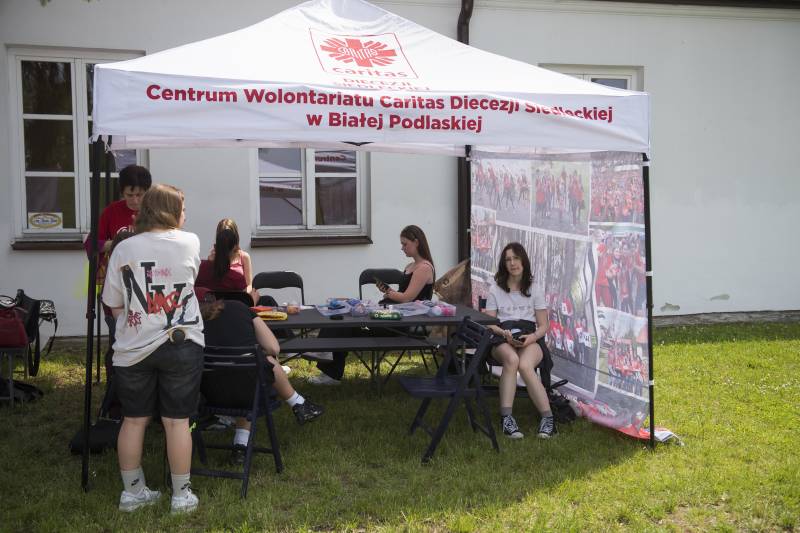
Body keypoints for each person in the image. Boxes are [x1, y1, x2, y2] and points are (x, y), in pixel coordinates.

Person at [102, 184, 204, 514]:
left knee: (133, 420)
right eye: (182, 208)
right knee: (177, 421)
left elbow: (113, 303)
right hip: (181, 342)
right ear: (170, 210)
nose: (185, 214)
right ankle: (181, 496)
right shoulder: (190, 242)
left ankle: (133, 493)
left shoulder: (124, 248)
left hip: (133, 347)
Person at [198, 288, 323, 463]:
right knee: (261, 363)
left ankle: (241, 447)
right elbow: (274, 348)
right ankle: (298, 403)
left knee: (241, 370)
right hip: (248, 392)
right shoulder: (241, 309)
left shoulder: (189, 321)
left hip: (208, 397)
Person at [309, 225, 435, 385]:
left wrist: (389, 292)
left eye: (405, 244)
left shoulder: (423, 268)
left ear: (416, 242)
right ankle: (325, 358)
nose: (402, 248)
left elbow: (406, 298)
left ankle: (326, 360)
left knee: (344, 325)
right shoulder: (410, 267)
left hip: (402, 323)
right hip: (392, 315)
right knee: (341, 321)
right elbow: (402, 296)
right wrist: (389, 294)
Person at [484, 242, 555, 439]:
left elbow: (544, 325)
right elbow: (489, 323)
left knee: (524, 364)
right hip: (501, 336)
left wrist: (531, 338)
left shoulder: (534, 289)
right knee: (512, 359)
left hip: (529, 337)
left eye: (516, 258)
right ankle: (506, 418)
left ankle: (548, 419)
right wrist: (504, 334)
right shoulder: (495, 289)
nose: (512, 263)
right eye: (508, 260)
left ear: (523, 261)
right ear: (503, 264)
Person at [86, 165, 152, 359]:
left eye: (140, 195)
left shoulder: (154, 212)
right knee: (119, 337)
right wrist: (115, 243)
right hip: (118, 287)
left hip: (148, 285)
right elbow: (91, 244)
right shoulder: (111, 212)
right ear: (122, 192)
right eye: (130, 195)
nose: (135, 200)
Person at [195, 219, 258, 304]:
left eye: (228, 234)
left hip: (235, 299)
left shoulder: (244, 257)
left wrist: (246, 295)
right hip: (230, 303)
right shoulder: (235, 276)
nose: (225, 239)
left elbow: (249, 285)